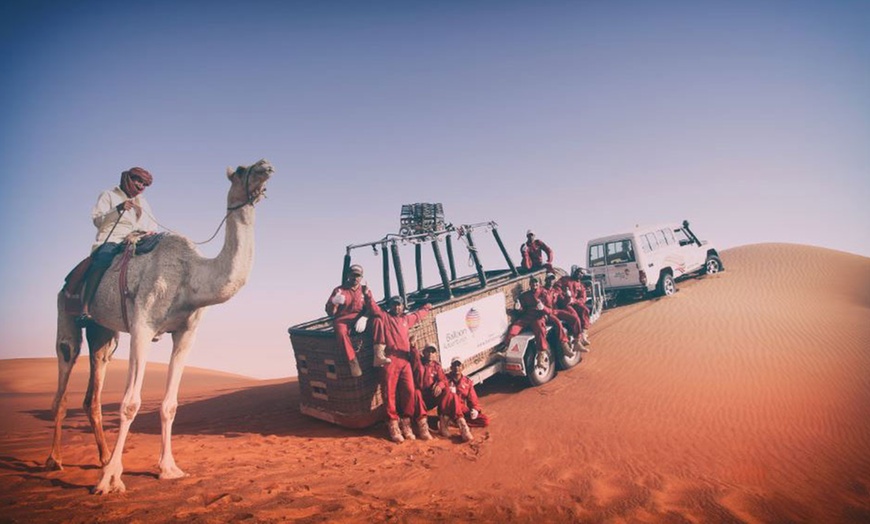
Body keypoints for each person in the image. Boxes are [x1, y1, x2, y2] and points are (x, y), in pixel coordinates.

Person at [76, 167, 157, 327]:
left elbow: (152, 223)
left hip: (136, 238)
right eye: (138, 181)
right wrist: (118, 209)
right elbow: (97, 220)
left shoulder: (143, 202)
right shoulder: (109, 195)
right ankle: (85, 309)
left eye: (144, 184)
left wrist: (148, 232)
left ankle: (153, 317)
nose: (141, 186)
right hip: (113, 238)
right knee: (103, 260)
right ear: (128, 179)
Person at [371, 296, 433, 443]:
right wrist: (368, 294)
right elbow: (374, 308)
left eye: (399, 305)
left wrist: (426, 308)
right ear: (390, 306)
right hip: (391, 359)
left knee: (409, 390)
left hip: (405, 360)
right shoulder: (385, 317)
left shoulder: (406, 319)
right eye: (394, 305)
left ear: (403, 306)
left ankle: (406, 422)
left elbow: (417, 316)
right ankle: (393, 424)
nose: (397, 307)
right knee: (389, 392)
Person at [325, 264, 381, 377]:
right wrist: (334, 302)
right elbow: (331, 313)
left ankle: (379, 353)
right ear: (348, 275)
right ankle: (352, 361)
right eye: (353, 275)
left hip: (360, 317)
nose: (355, 278)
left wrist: (365, 317)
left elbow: (374, 309)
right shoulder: (339, 290)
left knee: (378, 321)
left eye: (358, 275)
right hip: (343, 319)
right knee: (340, 330)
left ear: (361, 277)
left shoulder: (365, 290)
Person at [506, 276, 574, 361]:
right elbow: (522, 310)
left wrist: (543, 308)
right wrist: (519, 308)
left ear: (539, 284)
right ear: (530, 284)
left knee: (540, 328)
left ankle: (542, 353)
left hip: (540, 315)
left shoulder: (545, 293)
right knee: (514, 328)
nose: (534, 284)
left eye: (536, 282)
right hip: (528, 316)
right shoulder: (525, 295)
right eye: (532, 283)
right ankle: (506, 349)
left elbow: (550, 309)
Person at [439, 357, 489, 442]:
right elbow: (441, 383)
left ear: (463, 367)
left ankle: (454, 422)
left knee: (485, 420)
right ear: (451, 368)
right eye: (454, 365)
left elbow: (473, 400)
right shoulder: (446, 379)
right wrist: (440, 385)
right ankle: (462, 426)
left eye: (459, 365)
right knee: (454, 397)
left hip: (461, 409)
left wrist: (475, 410)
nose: (457, 368)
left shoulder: (467, 382)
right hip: (447, 409)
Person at [542, 273, 587, 355]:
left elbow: (563, 302)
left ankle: (577, 341)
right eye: (549, 279)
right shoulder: (541, 291)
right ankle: (565, 346)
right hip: (547, 313)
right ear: (545, 280)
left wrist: (567, 296)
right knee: (558, 323)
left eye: (552, 279)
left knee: (574, 318)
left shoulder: (555, 291)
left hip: (555, 311)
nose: (551, 281)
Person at [556, 265, 592, 346]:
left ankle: (583, 334)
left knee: (585, 310)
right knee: (574, 317)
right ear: (575, 272)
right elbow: (557, 288)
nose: (580, 274)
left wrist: (574, 300)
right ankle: (577, 339)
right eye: (579, 272)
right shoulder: (565, 279)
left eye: (582, 274)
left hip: (574, 303)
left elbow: (583, 298)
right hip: (565, 304)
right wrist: (564, 297)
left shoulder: (580, 285)